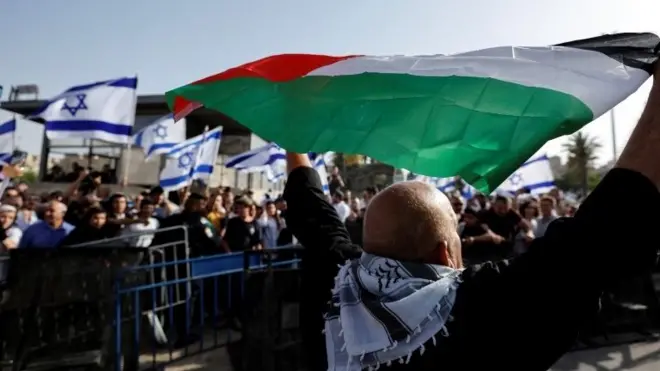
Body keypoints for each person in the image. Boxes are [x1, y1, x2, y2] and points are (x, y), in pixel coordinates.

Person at [283, 62, 660, 371]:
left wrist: (291, 131)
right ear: (447, 255)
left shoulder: (333, 281)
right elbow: (605, 235)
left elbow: (310, 210)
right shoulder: (486, 312)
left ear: (366, 248)